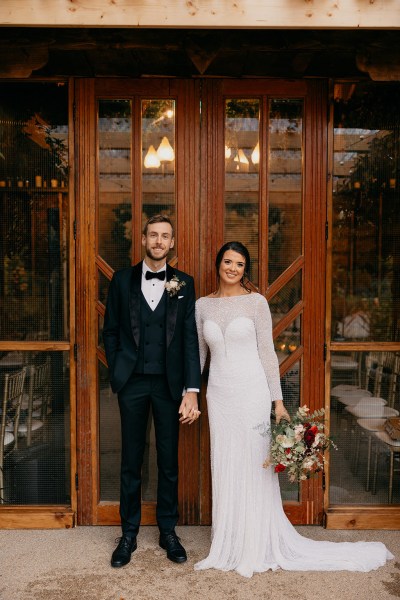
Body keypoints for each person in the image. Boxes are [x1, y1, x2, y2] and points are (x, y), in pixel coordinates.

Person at [194, 241, 394, 578]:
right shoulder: (202, 306)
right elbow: (199, 355)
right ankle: (228, 541)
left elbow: (268, 354)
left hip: (252, 392)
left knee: (254, 464)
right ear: (218, 264)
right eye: (227, 261)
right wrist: (190, 393)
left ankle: (255, 543)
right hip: (219, 395)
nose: (232, 268)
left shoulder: (256, 303)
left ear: (246, 270)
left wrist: (277, 402)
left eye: (239, 264)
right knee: (225, 460)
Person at [103, 214, 201, 568]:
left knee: (168, 459)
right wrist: (118, 371)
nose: (159, 241)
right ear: (143, 239)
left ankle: (167, 530)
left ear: (172, 243)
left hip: (170, 386)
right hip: (132, 383)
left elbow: (190, 340)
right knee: (131, 459)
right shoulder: (121, 279)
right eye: (153, 235)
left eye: (165, 236)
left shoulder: (184, 284)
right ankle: (128, 532)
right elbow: (110, 330)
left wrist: (192, 389)